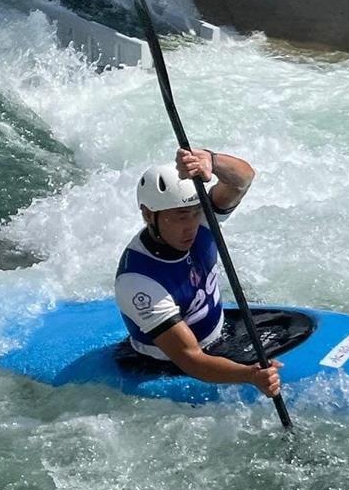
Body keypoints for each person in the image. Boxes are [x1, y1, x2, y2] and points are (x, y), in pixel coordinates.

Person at [115, 147, 282, 399]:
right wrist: (250, 375)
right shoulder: (138, 281)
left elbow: (242, 179)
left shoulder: (201, 219)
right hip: (169, 365)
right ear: (149, 214)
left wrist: (210, 160)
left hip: (221, 333)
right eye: (181, 216)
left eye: (195, 213)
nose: (191, 225)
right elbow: (191, 359)